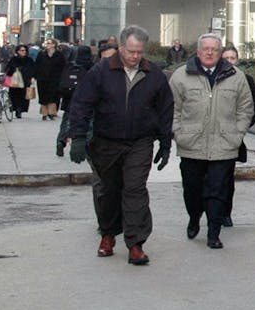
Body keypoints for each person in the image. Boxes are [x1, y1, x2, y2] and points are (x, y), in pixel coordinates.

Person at [66, 26, 174, 266]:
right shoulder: (101, 72)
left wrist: (165, 142)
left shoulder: (153, 74)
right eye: (131, 51)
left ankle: (136, 243)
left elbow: (165, 109)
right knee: (108, 190)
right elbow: (81, 104)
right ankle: (107, 234)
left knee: (135, 189)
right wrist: (78, 137)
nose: (135, 56)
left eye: (139, 52)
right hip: (106, 141)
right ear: (121, 48)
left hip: (140, 141)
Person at [169, 33, 253, 249]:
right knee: (193, 190)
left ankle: (213, 232)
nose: (209, 53)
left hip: (224, 146)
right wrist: (178, 132)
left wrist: (237, 134)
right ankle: (194, 216)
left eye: (214, 49)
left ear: (220, 52)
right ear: (198, 52)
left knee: (218, 191)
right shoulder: (181, 76)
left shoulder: (236, 77)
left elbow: (246, 109)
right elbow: (172, 108)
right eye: (205, 49)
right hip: (191, 145)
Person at [219, 44, 255, 227]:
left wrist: (241, 128)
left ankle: (225, 212)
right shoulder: (213, 78)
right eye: (225, 58)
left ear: (237, 60)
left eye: (232, 58)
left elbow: (253, 108)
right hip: (210, 135)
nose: (229, 62)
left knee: (226, 176)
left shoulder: (246, 80)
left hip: (233, 137)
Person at [55, 43, 96, 157]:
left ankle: (61, 141)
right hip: (85, 101)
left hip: (69, 99)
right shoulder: (91, 67)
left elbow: (61, 83)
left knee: (66, 122)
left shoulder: (70, 65)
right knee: (85, 123)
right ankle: (82, 144)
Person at [33, 37, 68, 120]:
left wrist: (62, 76)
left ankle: (52, 112)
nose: (47, 45)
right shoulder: (42, 54)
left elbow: (63, 66)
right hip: (43, 78)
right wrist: (34, 76)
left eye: (49, 43)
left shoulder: (59, 55)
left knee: (53, 95)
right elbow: (37, 66)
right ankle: (44, 113)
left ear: (54, 45)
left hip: (55, 78)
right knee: (43, 95)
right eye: (46, 43)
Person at [4, 44, 34, 119]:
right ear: (17, 51)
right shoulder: (13, 59)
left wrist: (32, 77)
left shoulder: (29, 59)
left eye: (24, 50)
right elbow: (8, 69)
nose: (23, 52)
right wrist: (15, 70)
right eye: (21, 50)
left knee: (23, 96)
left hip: (25, 80)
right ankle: (17, 109)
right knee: (15, 96)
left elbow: (33, 69)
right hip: (15, 81)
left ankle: (20, 109)